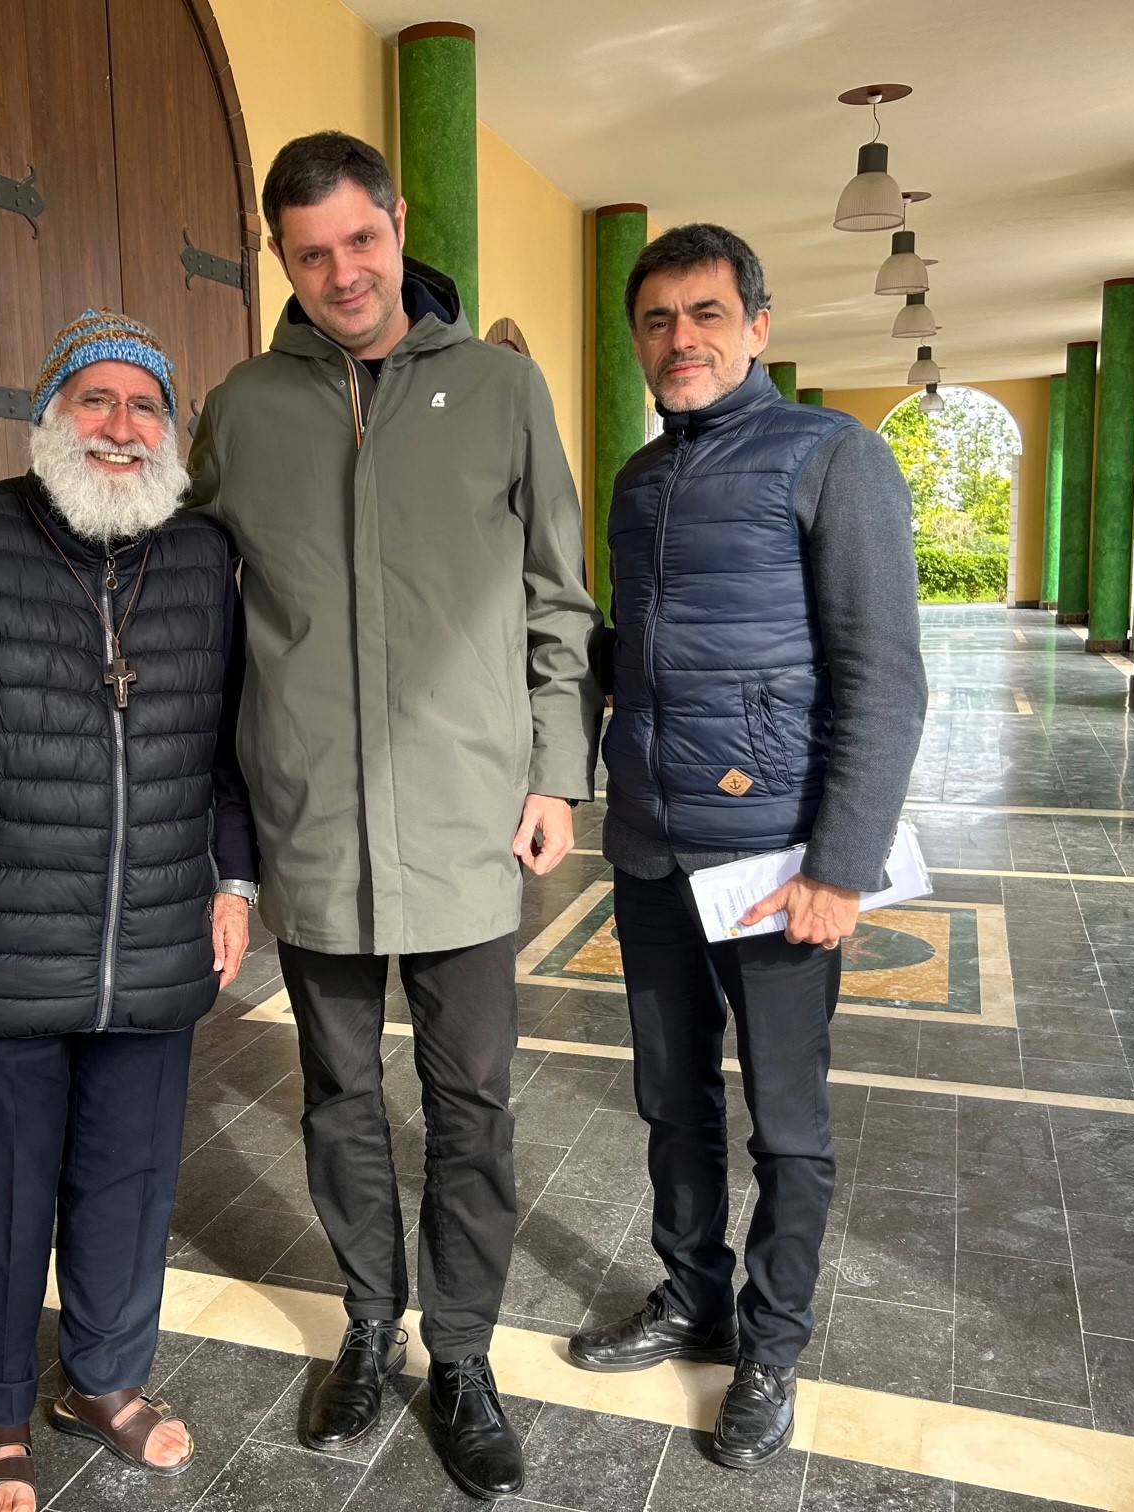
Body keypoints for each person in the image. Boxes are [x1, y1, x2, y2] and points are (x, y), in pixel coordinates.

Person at [188, 131, 600, 1501]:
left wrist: (556, 773)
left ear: (399, 223)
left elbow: (558, 598)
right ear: (281, 257)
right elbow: (196, 604)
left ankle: (463, 1354)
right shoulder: (244, 410)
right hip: (312, 825)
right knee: (340, 1098)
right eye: (312, 253)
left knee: (470, 1104)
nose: (344, 273)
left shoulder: (500, 390)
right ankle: (371, 1324)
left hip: (469, 825)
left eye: (361, 240)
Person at [0, 309, 258, 1512]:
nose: (121, 427)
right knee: (1, 1193)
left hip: (157, 933)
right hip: (4, 943)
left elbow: (233, 744)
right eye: (96, 400)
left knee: (130, 1183)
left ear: (171, 431)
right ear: (51, 417)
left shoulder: (204, 556)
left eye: (145, 406)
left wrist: (235, 880)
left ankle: (104, 1380)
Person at [565, 225, 925, 1472]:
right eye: (658, 320)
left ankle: (770, 1346)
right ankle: (692, 1297)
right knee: (671, 1101)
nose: (682, 339)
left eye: (707, 314)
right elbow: (639, 657)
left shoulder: (834, 456)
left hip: (775, 864)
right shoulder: (638, 482)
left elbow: (884, 677)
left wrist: (842, 864)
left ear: (759, 327)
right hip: (652, 848)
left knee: (786, 1121)